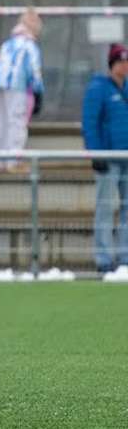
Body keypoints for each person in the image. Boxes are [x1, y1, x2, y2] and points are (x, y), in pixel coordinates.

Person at [82, 44, 128, 273]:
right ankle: (103, 259)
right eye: (121, 62)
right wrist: (95, 153)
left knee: (127, 209)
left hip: (126, 157)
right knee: (105, 209)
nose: (125, 66)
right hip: (108, 159)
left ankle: (125, 257)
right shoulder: (98, 88)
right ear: (112, 64)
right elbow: (90, 123)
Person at [0, 9, 44, 173]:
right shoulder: (29, 46)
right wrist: (38, 93)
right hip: (16, 85)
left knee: (2, 121)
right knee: (17, 122)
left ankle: (0, 160)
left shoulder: (7, 44)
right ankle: (14, 161)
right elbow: (35, 71)